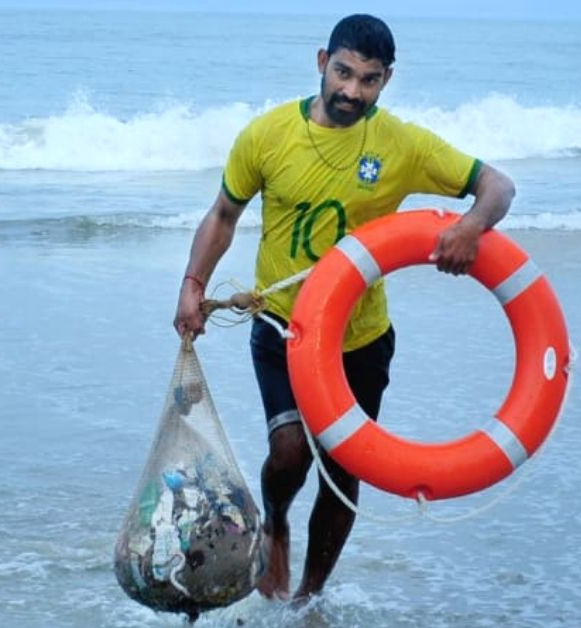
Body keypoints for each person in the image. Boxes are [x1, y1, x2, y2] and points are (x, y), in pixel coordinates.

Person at [172, 14, 515, 603]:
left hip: (360, 338)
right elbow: (223, 215)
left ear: (387, 80)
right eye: (344, 72)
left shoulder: (401, 144)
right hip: (283, 326)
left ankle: (308, 598)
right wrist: (192, 283)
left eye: (370, 80)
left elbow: (498, 186)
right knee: (289, 454)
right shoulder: (269, 133)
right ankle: (275, 520)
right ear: (321, 61)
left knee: (346, 468)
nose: (352, 91)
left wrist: (471, 227)